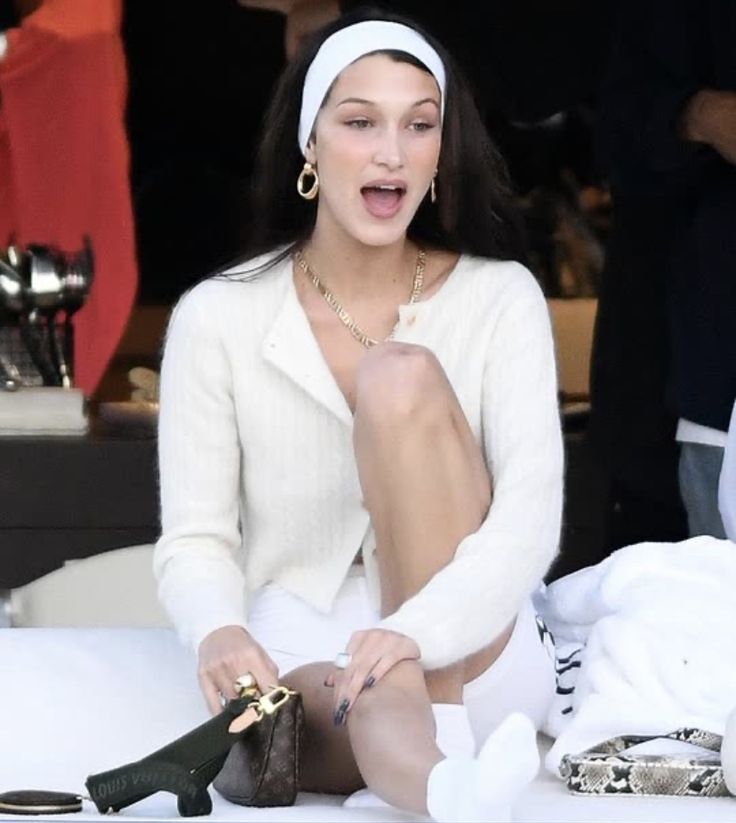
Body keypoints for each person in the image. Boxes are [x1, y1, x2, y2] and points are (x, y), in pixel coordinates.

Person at [153, 10, 563, 819]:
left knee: (398, 376)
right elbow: (197, 536)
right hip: (307, 651)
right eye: (359, 121)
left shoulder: (501, 297)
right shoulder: (216, 314)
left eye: (419, 126)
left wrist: (419, 632)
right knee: (354, 695)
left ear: (441, 154)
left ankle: (436, 737)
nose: (390, 152)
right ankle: (446, 790)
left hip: (477, 645)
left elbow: (529, 517)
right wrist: (218, 631)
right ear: (310, 142)